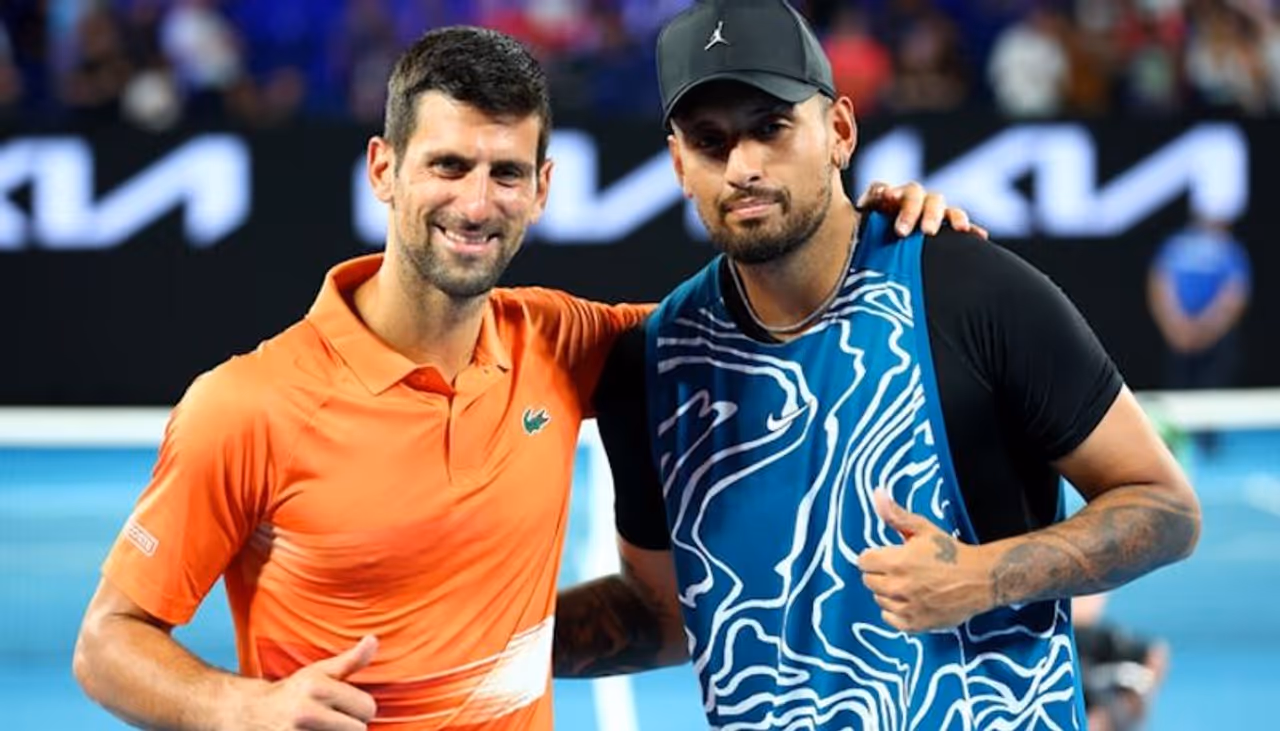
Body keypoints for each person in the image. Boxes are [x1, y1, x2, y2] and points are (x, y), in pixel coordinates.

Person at [71, 24, 976, 731]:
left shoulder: (559, 339)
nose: (477, 203)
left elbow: (765, 314)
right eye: (448, 165)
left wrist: (873, 236)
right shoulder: (246, 406)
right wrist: (242, 706)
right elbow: (108, 641)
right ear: (384, 169)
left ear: (542, 188)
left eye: (506, 173)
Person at [553, 2, 1202, 729]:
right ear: (679, 164)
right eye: (710, 141)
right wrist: (467, 628)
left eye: (771, 127)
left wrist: (984, 577)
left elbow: (1166, 508)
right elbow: (663, 618)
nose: (743, 167)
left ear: (839, 130)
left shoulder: (970, 291)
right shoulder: (655, 363)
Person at [1148, 216, 1252, 391]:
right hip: (1178, 339)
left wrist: (1204, 330)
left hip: (1215, 343)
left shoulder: (1229, 248)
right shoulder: (1176, 245)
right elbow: (1160, 285)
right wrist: (1177, 328)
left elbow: (1234, 294)